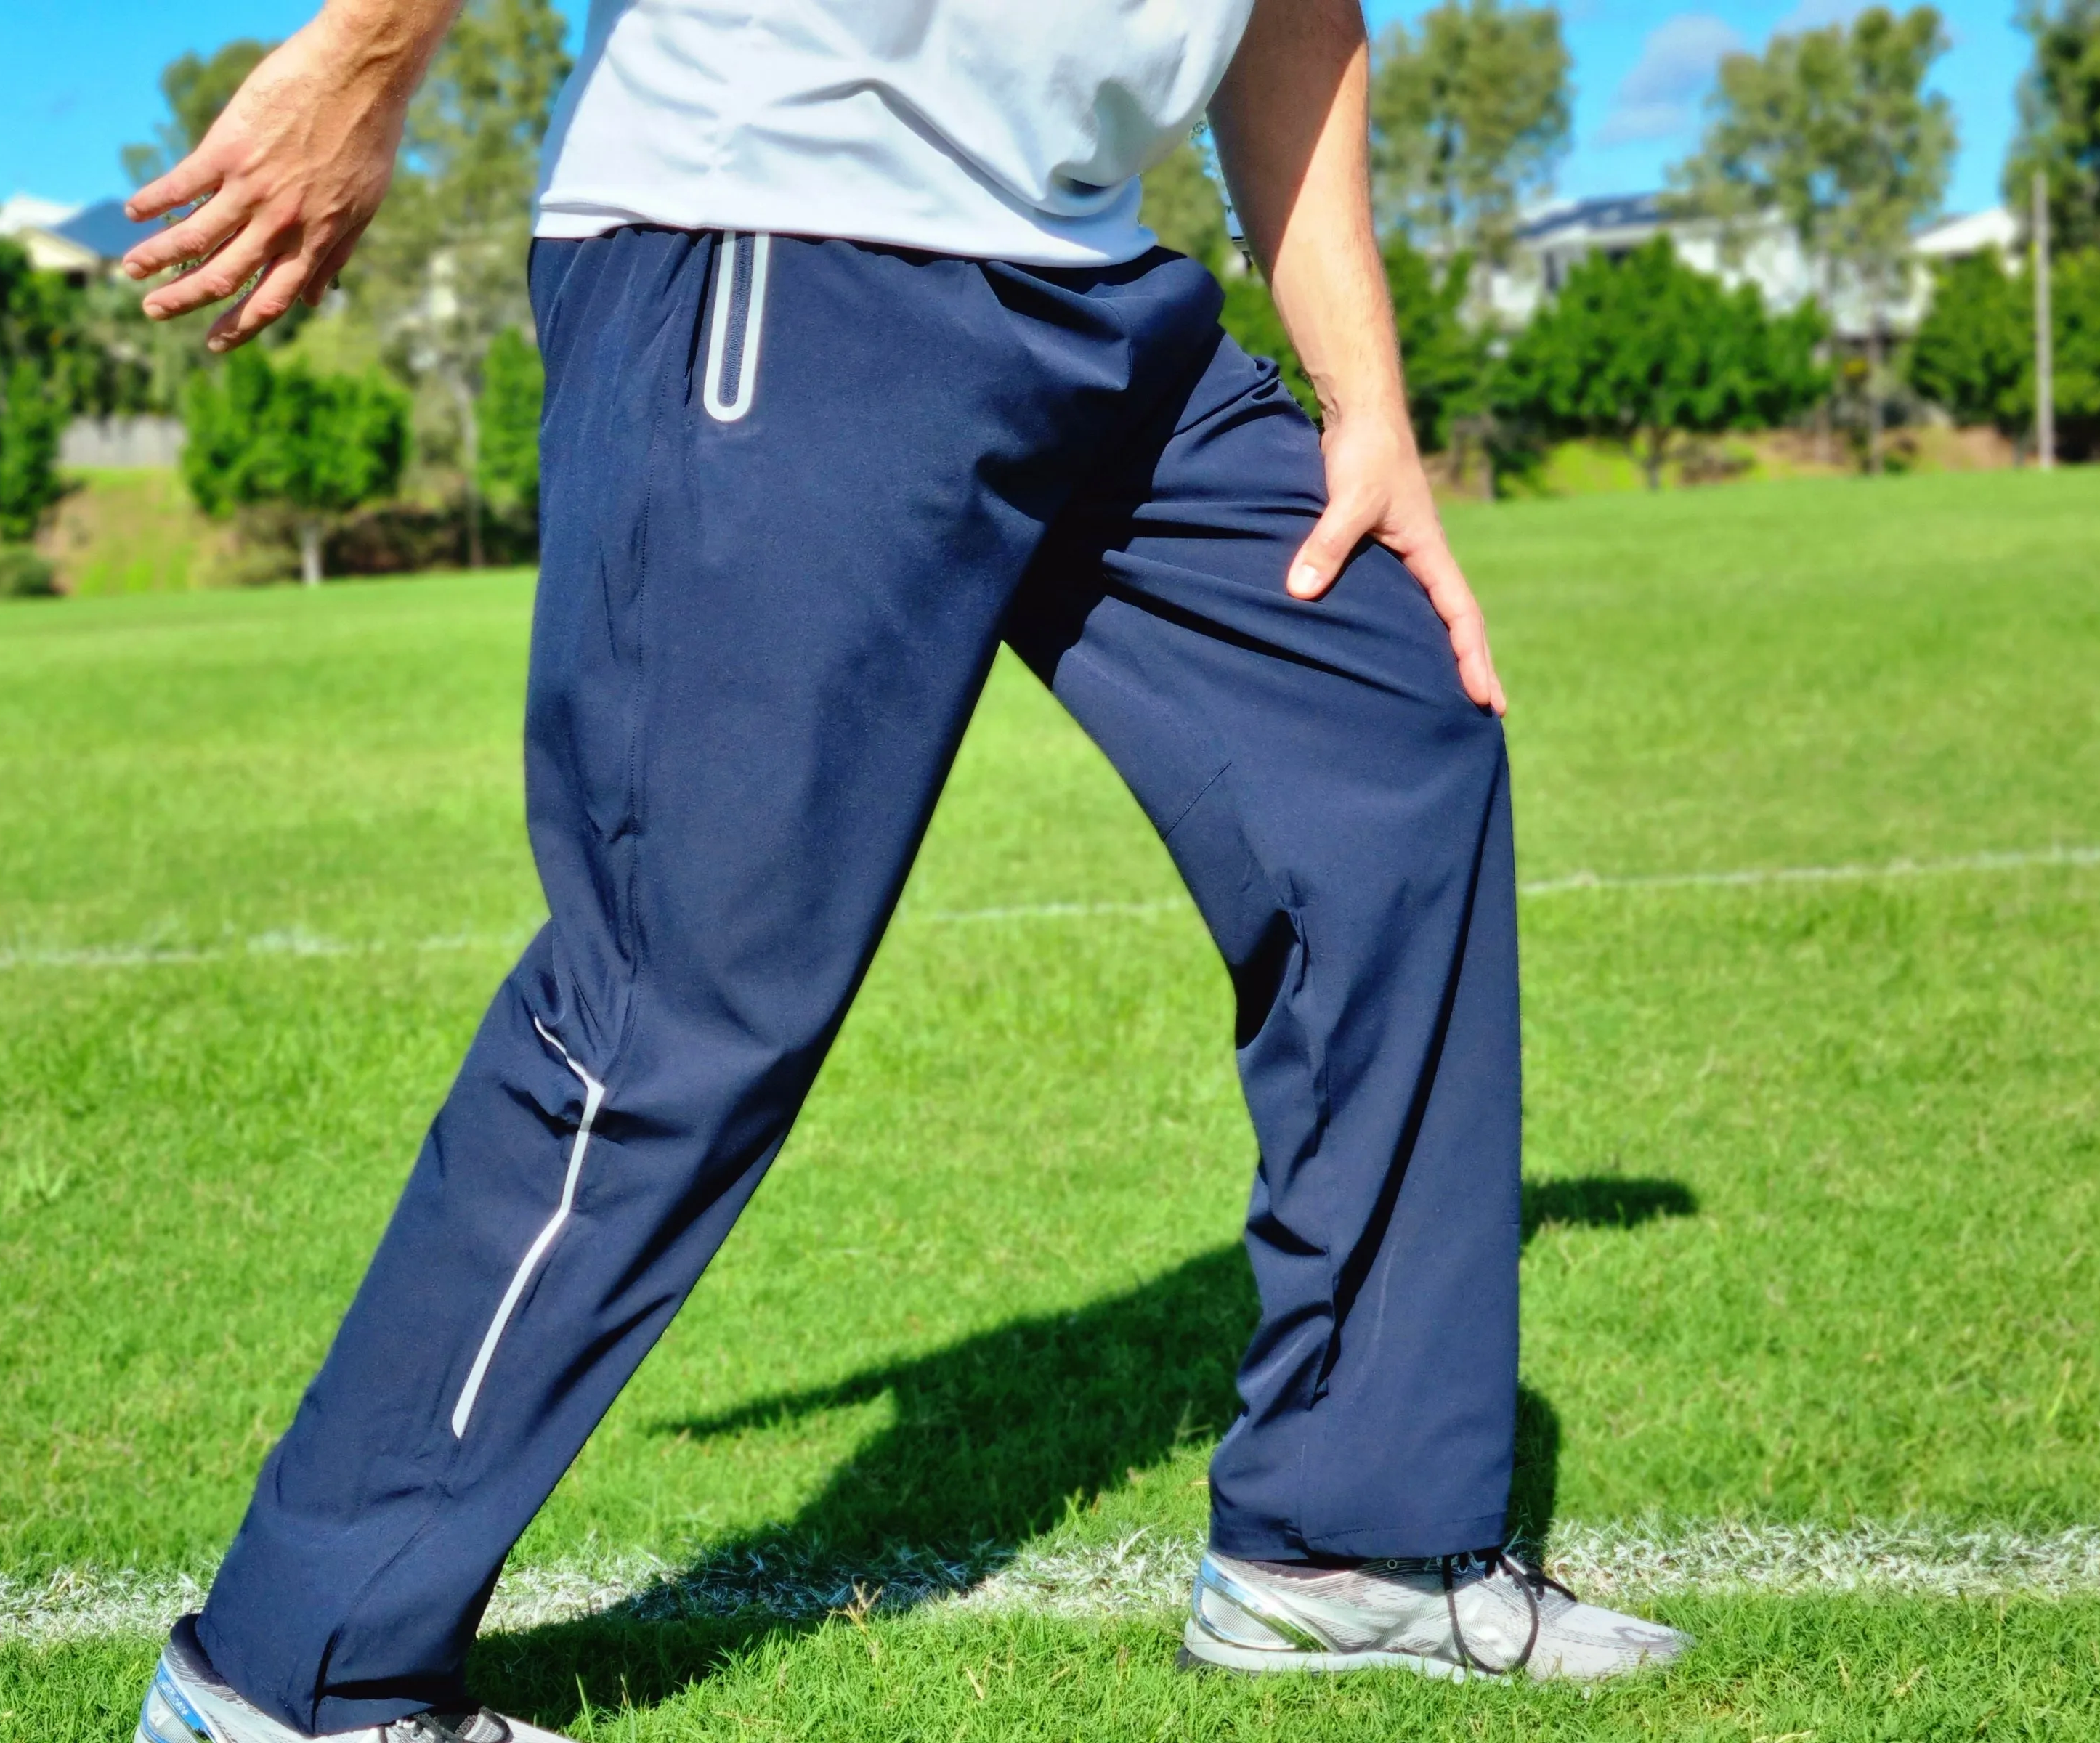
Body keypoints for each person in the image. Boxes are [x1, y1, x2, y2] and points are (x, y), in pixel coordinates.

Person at [120, 2, 1690, 1738]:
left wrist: (1367, 410)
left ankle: (1352, 1542)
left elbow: (1296, 15)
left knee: (1391, 741)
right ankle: (294, 1676)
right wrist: (365, 58)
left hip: (1097, 297)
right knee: (685, 994)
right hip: (785, 235)